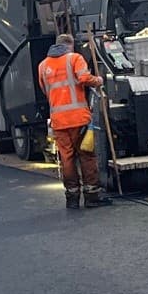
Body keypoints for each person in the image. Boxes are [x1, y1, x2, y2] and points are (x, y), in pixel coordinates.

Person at [38, 33, 105, 209]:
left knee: (66, 158)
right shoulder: (75, 58)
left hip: (58, 121)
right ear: (70, 46)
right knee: (86, 155)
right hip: (78, 118)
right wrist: (98, 80)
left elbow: (45, 90)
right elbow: (84, 78)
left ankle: (72, 197)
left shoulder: (43, 66)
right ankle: (92, 196)